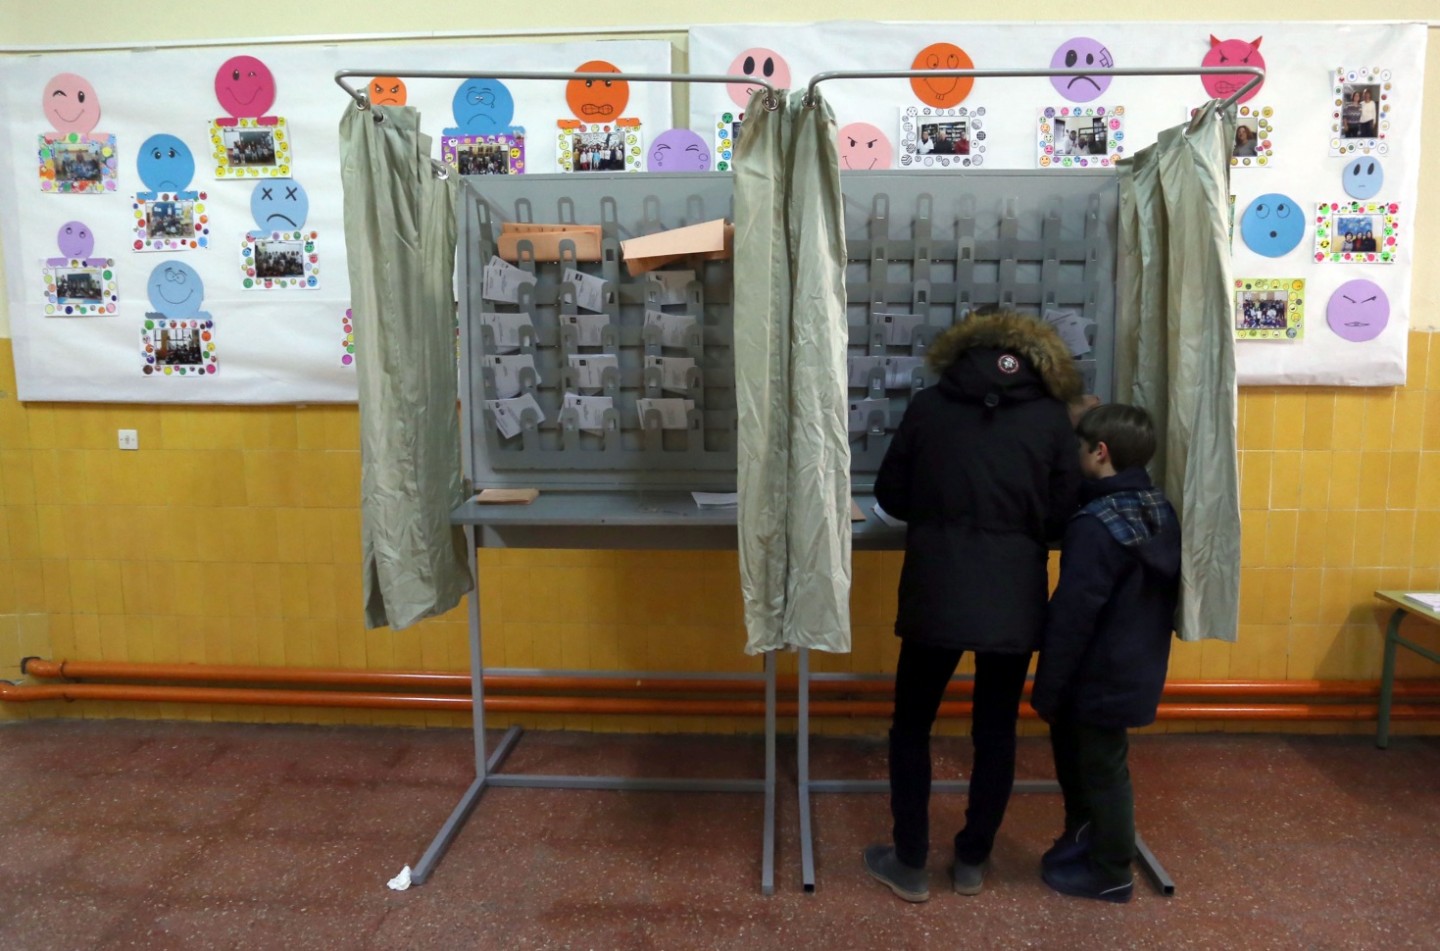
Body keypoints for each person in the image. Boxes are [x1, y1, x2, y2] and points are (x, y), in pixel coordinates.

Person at [862, 311, 1084, 903]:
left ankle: (909, 861)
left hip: (936, 586)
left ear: (961, 351)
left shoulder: (931, 406)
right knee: (996, 730)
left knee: (912, 725)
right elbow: (1064, 512)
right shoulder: (1051, 417)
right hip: (1013, 595)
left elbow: (890, 493)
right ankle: (971, 860)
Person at [1030, 403, 1181, 904]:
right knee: (1096, 760)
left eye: (1079, 447)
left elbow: (1073, 614)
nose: (1073, 456)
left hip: (1094, 671)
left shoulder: (1093, 525)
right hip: (1135, 664)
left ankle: (1112, 869)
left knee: (1102, 768)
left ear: (1100, 452)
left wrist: (1047, 685)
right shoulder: (1159, 508)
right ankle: (1085, 837)